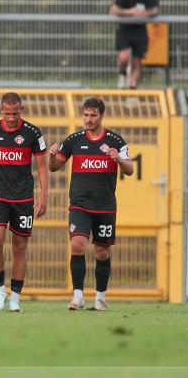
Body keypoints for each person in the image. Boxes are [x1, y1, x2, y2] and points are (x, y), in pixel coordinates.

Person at [48, 97, 133, 311]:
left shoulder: (115, 140)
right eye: (85, 115)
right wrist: (51, 157)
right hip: (80, 204)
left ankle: (100, 298)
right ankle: (77, 296)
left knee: (102, 252)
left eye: (93, 115)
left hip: (104, 205)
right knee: (77, 245)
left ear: (101, 115)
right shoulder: (74, 140)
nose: (88, 119)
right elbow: (54, 167)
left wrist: (119, 159)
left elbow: (130, 169)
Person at [0, 92, 48, 312]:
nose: (12, 118)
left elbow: (42, 166)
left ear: (21, 110)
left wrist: (44, 195)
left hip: (23, 196)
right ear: (1, 110)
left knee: (20, 247)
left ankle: (15, 298)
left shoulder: (33, 132)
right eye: (7, 113)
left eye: (15, 113)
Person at [110, 0, 160, 89]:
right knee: (124, 57)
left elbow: (155, 9)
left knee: (137, 62)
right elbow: (113, 10)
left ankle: (132, 87)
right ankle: (122, 73)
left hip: (140, 31)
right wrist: (129, 11)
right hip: (125, 31)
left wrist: (146, 13)